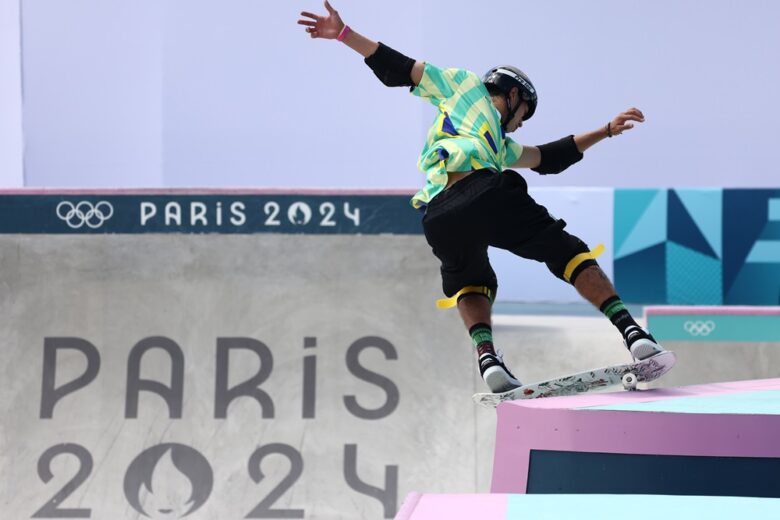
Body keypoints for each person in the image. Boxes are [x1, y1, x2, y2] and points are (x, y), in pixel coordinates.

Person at [298, 2, 666, 393]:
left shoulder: (501, 146)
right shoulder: (462, 83)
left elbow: (548, 157)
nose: (521, 123)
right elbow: (399, 65)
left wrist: (604, 130)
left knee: (472, 280)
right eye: (524, 114)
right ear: (512, 95)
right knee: (565, 249)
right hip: (484, 189)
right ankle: (632, 332)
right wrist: (343, 34)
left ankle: (487, 357)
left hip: (438, 213)